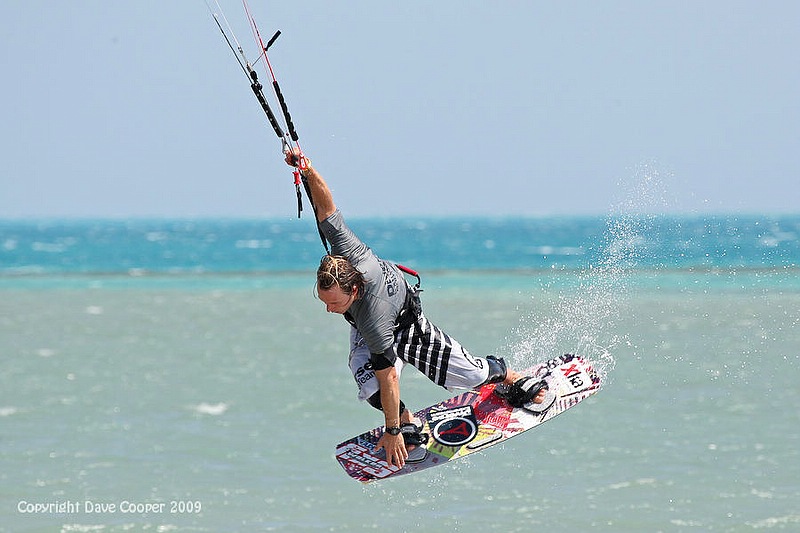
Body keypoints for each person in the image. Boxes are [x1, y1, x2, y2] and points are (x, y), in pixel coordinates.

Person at [286, 150, 549, 469]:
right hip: (371, 323)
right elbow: (326, 209)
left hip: (408, 326)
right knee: (366, 383)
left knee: (473, 375)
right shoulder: (345, 252)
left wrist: (391, 431)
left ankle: (509, 374)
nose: (329, 311)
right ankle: (409, 420)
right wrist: (307, 169)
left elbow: (390, 380)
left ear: (353, 290)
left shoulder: (373, 317)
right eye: (325, 302)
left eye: (334, 304)